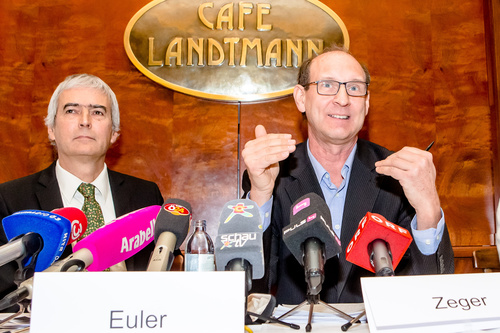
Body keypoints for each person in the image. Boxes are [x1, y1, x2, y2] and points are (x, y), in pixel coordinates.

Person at [242, 45, 454, 305]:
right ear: (300, 98)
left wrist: (428, 208)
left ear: (366, 102)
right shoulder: (274, 173)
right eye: (328, 85)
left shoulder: (397, 174)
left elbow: (434, 293)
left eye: (354, 88)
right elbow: (250, 289)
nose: (343, 99)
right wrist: (261, 194)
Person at [0, 74, 164, 305]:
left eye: (98, 112)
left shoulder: (146, 197)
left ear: (114, 133)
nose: (85, 121)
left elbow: (160, 283)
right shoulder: (11, 199)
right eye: (71, 111)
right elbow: (6, 293)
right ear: (51, 129)